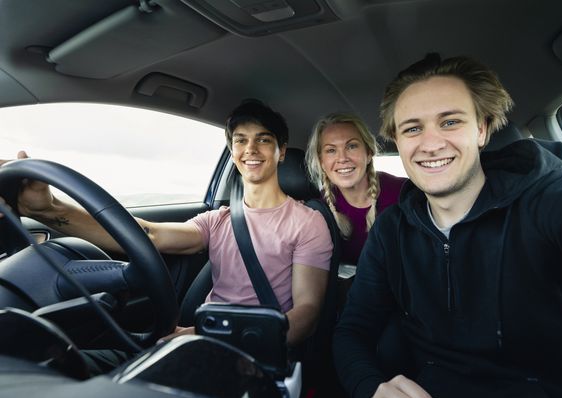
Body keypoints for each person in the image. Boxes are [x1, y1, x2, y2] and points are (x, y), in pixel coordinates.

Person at [332, 53, 562, 398]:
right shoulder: (391, 231)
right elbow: (352, 330)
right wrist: (369, 389)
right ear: (397, 141)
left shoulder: (546, 201)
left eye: (450, 122)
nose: (430, 144)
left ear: (482, 130)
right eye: (413, 129)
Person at [0, 99, 333, 348]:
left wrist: (208, 336)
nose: (251, 149)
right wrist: (48, 210)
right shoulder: (218, 220)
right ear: (232, 151)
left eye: (263, 139)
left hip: (256, 345)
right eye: (241, 140)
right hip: (201, 336)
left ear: (281, 151)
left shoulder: (307, 223)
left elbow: (306, 314)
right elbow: (150, 235)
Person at [305, 112, 405, 265]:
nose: (343, 158)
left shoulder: (404, 193)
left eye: (351, 146)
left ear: (369, 152)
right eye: (331, 150)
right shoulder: (317, 211)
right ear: (322, 161)